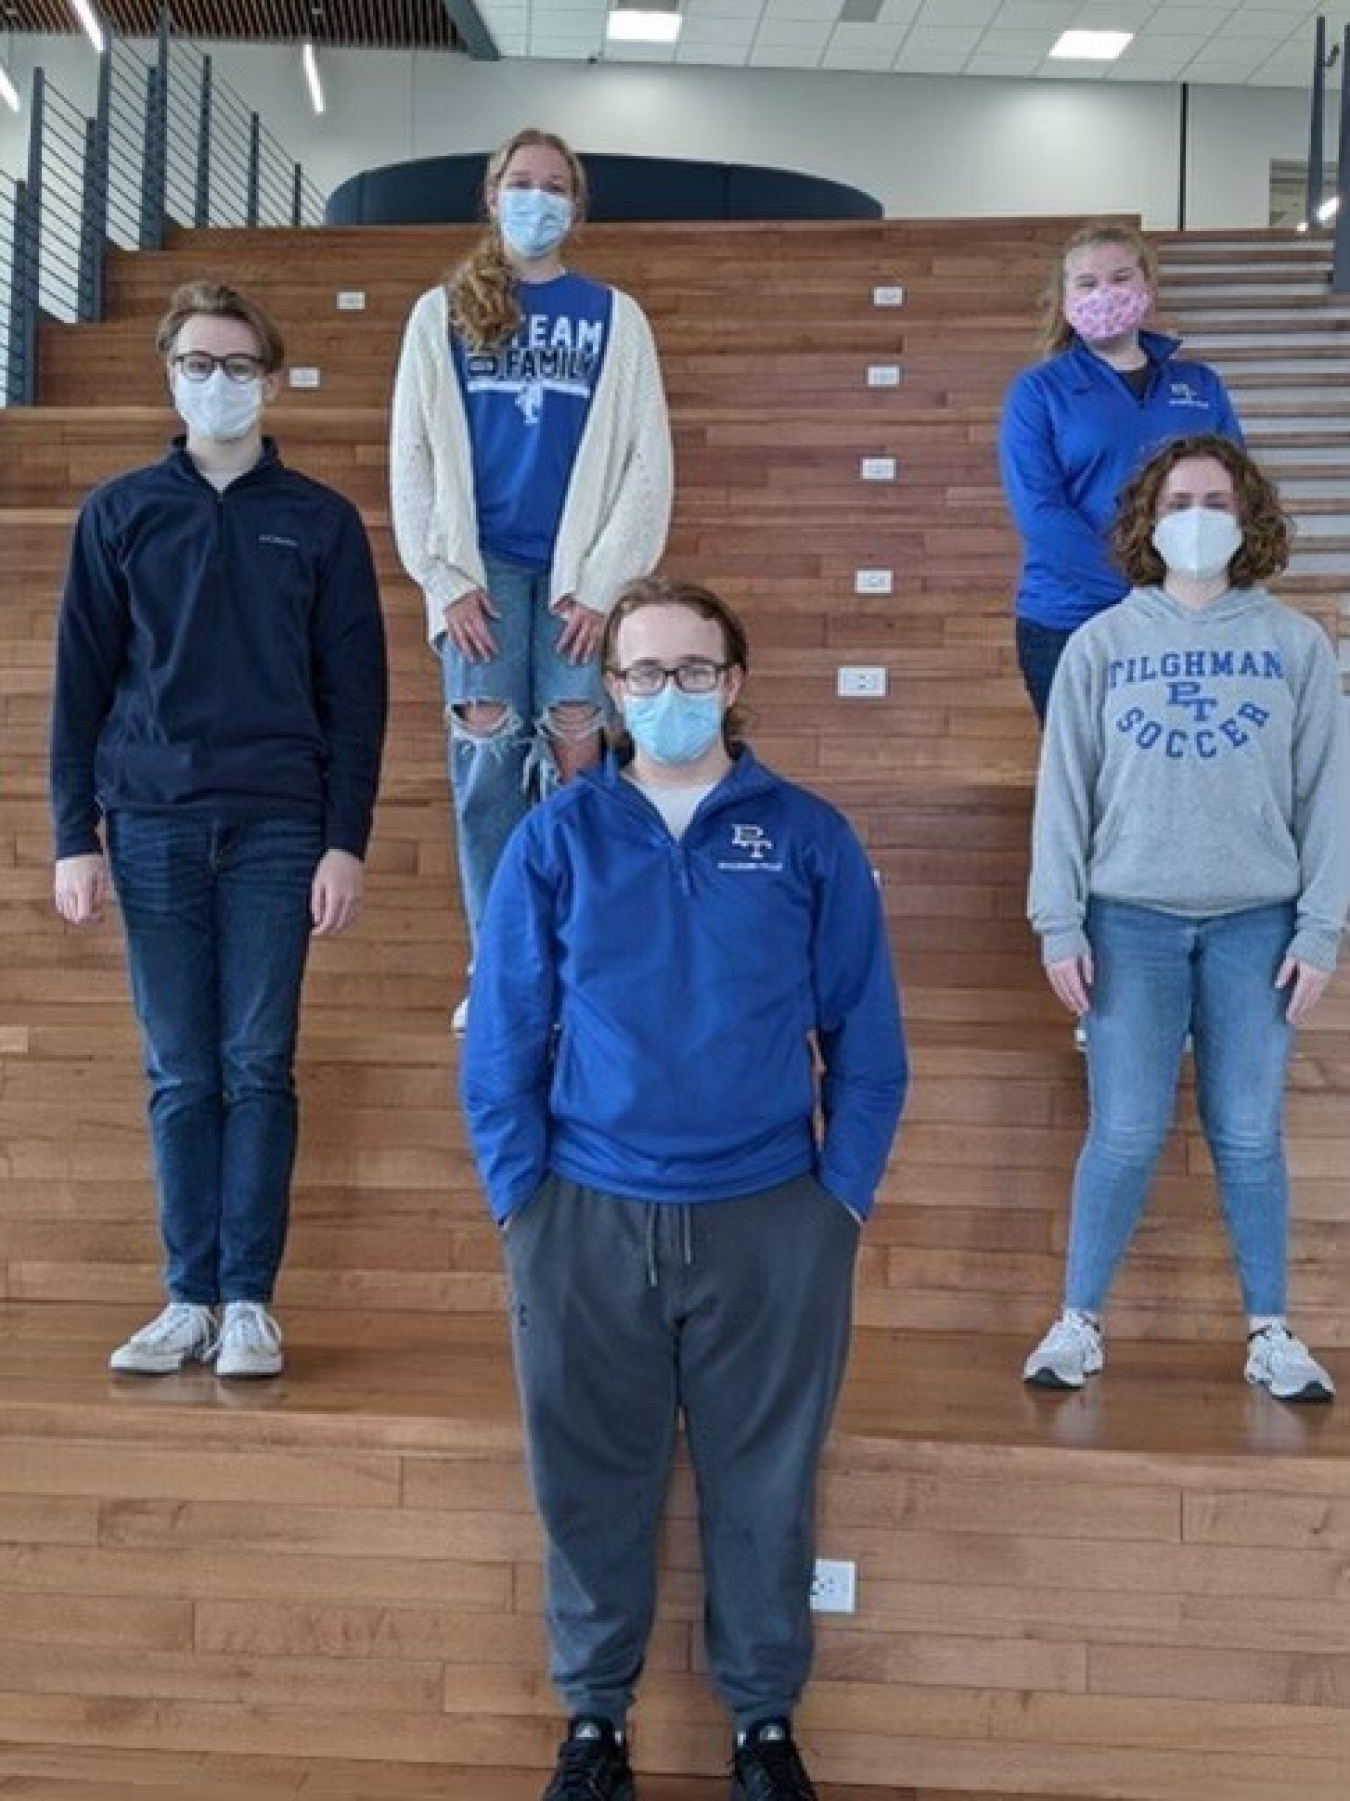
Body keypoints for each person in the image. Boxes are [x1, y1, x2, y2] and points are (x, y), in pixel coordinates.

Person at [461, 577, 907, 1800]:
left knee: (765, 1479)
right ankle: (592, 1726)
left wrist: (838, 1205)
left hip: (771, 1217)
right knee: (585, 1472)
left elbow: (868, 1041)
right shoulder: (556, 838)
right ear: (609, 692)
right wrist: (523, 1203)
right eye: (644, 674)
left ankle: (764, 1727)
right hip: (584, 1215)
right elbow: (502, 1037)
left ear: (736, 680)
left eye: (693, 670)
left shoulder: (808, 835)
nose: (669, 693)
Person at [49, 279, 388, 1381]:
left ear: (272, 379)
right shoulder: (118, 513)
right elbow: (79, 685)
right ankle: (186, 1297)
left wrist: (348, 839)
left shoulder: (322, 522)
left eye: (238, 365)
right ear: (169, 374)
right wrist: (72, 834)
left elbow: (357, 696)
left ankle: (248, 1300)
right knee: (180, 1072)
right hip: (147, 824)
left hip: (281, 828)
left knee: (256, 1063)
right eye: (197, 363)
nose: (217, 382)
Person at [1024, 434, 1347, 1402]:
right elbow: (1063, 795)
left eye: (1215, 498)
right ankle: (1078, 1322)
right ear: (1147, 523)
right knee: (1124, 1131)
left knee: (1248, 1133)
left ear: (1246, 518)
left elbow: (1327, 795)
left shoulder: (1295, 644)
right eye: (1177, 501)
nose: (1195, 515)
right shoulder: (1102, 645)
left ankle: (1271, 1332)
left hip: (1258, 922)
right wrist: (1059, 922)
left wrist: (1322, 927)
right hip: (1128, 921)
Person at [390, 127, 673, 1029]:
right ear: (492, 195)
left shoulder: (614, 316)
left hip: (575, 577)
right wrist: (443, 579)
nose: (537, 198)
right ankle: (503, 959)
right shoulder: (440, 313)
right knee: (485, 759)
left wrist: (604, 584)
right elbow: (414, 459)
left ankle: (579, 951)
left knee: (577, 747)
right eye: (522, 182)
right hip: (482, 572)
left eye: (555, 186)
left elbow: (645, 461)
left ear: (576, 206)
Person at [1000, 220, 1244, 722]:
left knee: (1173, 764)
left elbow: (1235, 492)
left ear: (1147, 287)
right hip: (1070, 619)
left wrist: (1197, 588)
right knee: (1088, 779)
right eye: (1087, 283)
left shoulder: (1200, 384)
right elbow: (1041, 513)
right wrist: (1141, 588)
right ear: (1065, 299)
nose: (1104, 293)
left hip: (1190, 614)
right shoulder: (1039, 392)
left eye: (1119, 277)